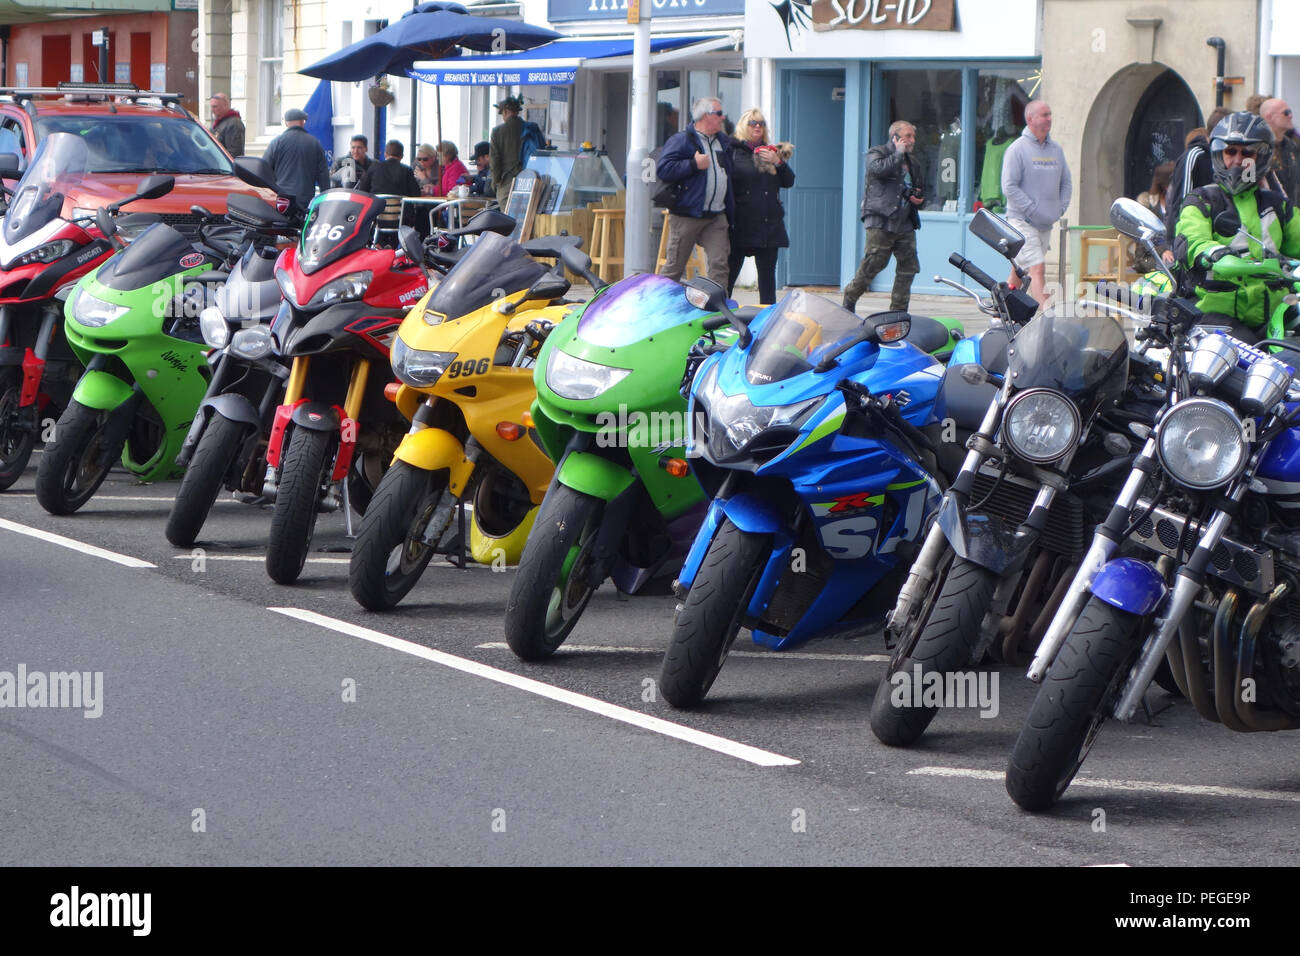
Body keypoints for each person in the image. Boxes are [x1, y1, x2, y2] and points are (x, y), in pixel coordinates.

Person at [1173, 111, 1300, 341]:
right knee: (1249, 354)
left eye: (1247, 152)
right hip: (1215, 314)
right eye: (1230, 151)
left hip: (1271, 314)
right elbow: (1192, 238)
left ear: (1261, 157)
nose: (1239, 160)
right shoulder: (1202, 200)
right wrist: (1214, 252)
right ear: (1219, 155)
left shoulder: (1278, 206)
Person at [841, 120, 925, 314]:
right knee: (875, 262)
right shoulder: (877, 153)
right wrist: (898, 152)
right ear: (895, 137)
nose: (912, 140)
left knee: (909, 266)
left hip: (905, 221)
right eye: (908, 136)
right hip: (881, 219)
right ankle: (850, 297)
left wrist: (919, 198)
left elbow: (919, 188)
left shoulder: (914, 162)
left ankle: (898, 311)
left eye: (913, 136)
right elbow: (878, 170)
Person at [655, 96, 734, 288]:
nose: (723, 118)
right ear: (706, 116)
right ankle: (659, 307)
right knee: (674, 267)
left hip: (716, 215)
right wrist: (693, 164)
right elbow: (663, 169)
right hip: (687, 214)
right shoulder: (681, 140)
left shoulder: (723, 141)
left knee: (720, 265)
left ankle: (715, 311)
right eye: (719, 113)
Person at [1001, 100, 1071, 306]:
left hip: (1045, 224)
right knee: (1037, 268)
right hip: (1022, 222)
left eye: (1050, 114)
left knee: (1019, 270)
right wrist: (1032, 209)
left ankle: (1001, 311)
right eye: (1044, 115)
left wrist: (1059, 208)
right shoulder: (1017, 149)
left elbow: (1066, 182)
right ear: (1030, 119)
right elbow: (1009, 186)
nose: (1049, 119)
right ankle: (1048, 315)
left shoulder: (1056, 150)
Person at [725, 108, 795, 304]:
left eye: (761, 123)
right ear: (743, 126)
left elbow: (789, 181)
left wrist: (778, 162)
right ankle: (720, 319)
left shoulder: (771, 151)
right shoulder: (732, 151)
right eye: (753, 123)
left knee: (767, 277)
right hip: (741, 223)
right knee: (728, 276)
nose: (758, 127)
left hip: (768, 224)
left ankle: (767, 321)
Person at [1165, 107, 1230, 247]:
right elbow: (1182, 202)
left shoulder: (1229, 157)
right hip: (1193, 240)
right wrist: (1176, 244)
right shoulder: (1194, 156)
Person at [262, 107, 330, 215]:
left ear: (286, 123)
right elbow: (323, 176)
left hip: (282, 199)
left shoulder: (276, 143)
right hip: (305, 199)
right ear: (302, 122)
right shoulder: (314, 143)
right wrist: (325, 201)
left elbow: (264, 170)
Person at [1133, 161, 1173, 270]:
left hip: (1174, 257)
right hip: (1149, 258)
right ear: (1166, 186)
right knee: (1172, 266)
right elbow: (1144, 243)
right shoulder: (1148, 208)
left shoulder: (1181, 206)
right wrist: (1163, 251)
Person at [1260, 98, 1300, 200]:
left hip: (1292, 211)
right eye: (1286, 113)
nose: (1290, 116)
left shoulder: (1291, 145)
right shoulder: (1259, 148)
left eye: (1290, 112)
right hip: (1270, 211)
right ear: (1269, 117)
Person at [490, 95, 524, 207]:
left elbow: (494, 161)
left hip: (508, 183)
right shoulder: (531, 128)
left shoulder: (498, 132)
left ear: (505, 112)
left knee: (508, 220)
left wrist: (495, 182)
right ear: (517, 112)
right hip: (531, 182)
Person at [356, 139, 421, 198]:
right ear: (402, 156)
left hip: (378, 209)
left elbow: (362, 191)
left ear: (385, 154)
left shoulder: (374, 167)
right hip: (401, 209)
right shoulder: (407, 170)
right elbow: (416, 194)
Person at [209, 93, 244, 157]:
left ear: (225, 105)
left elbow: (234, 153)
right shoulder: (218, 123)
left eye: (215, 106)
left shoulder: (234, 124)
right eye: (211, 106)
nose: (212, 110)